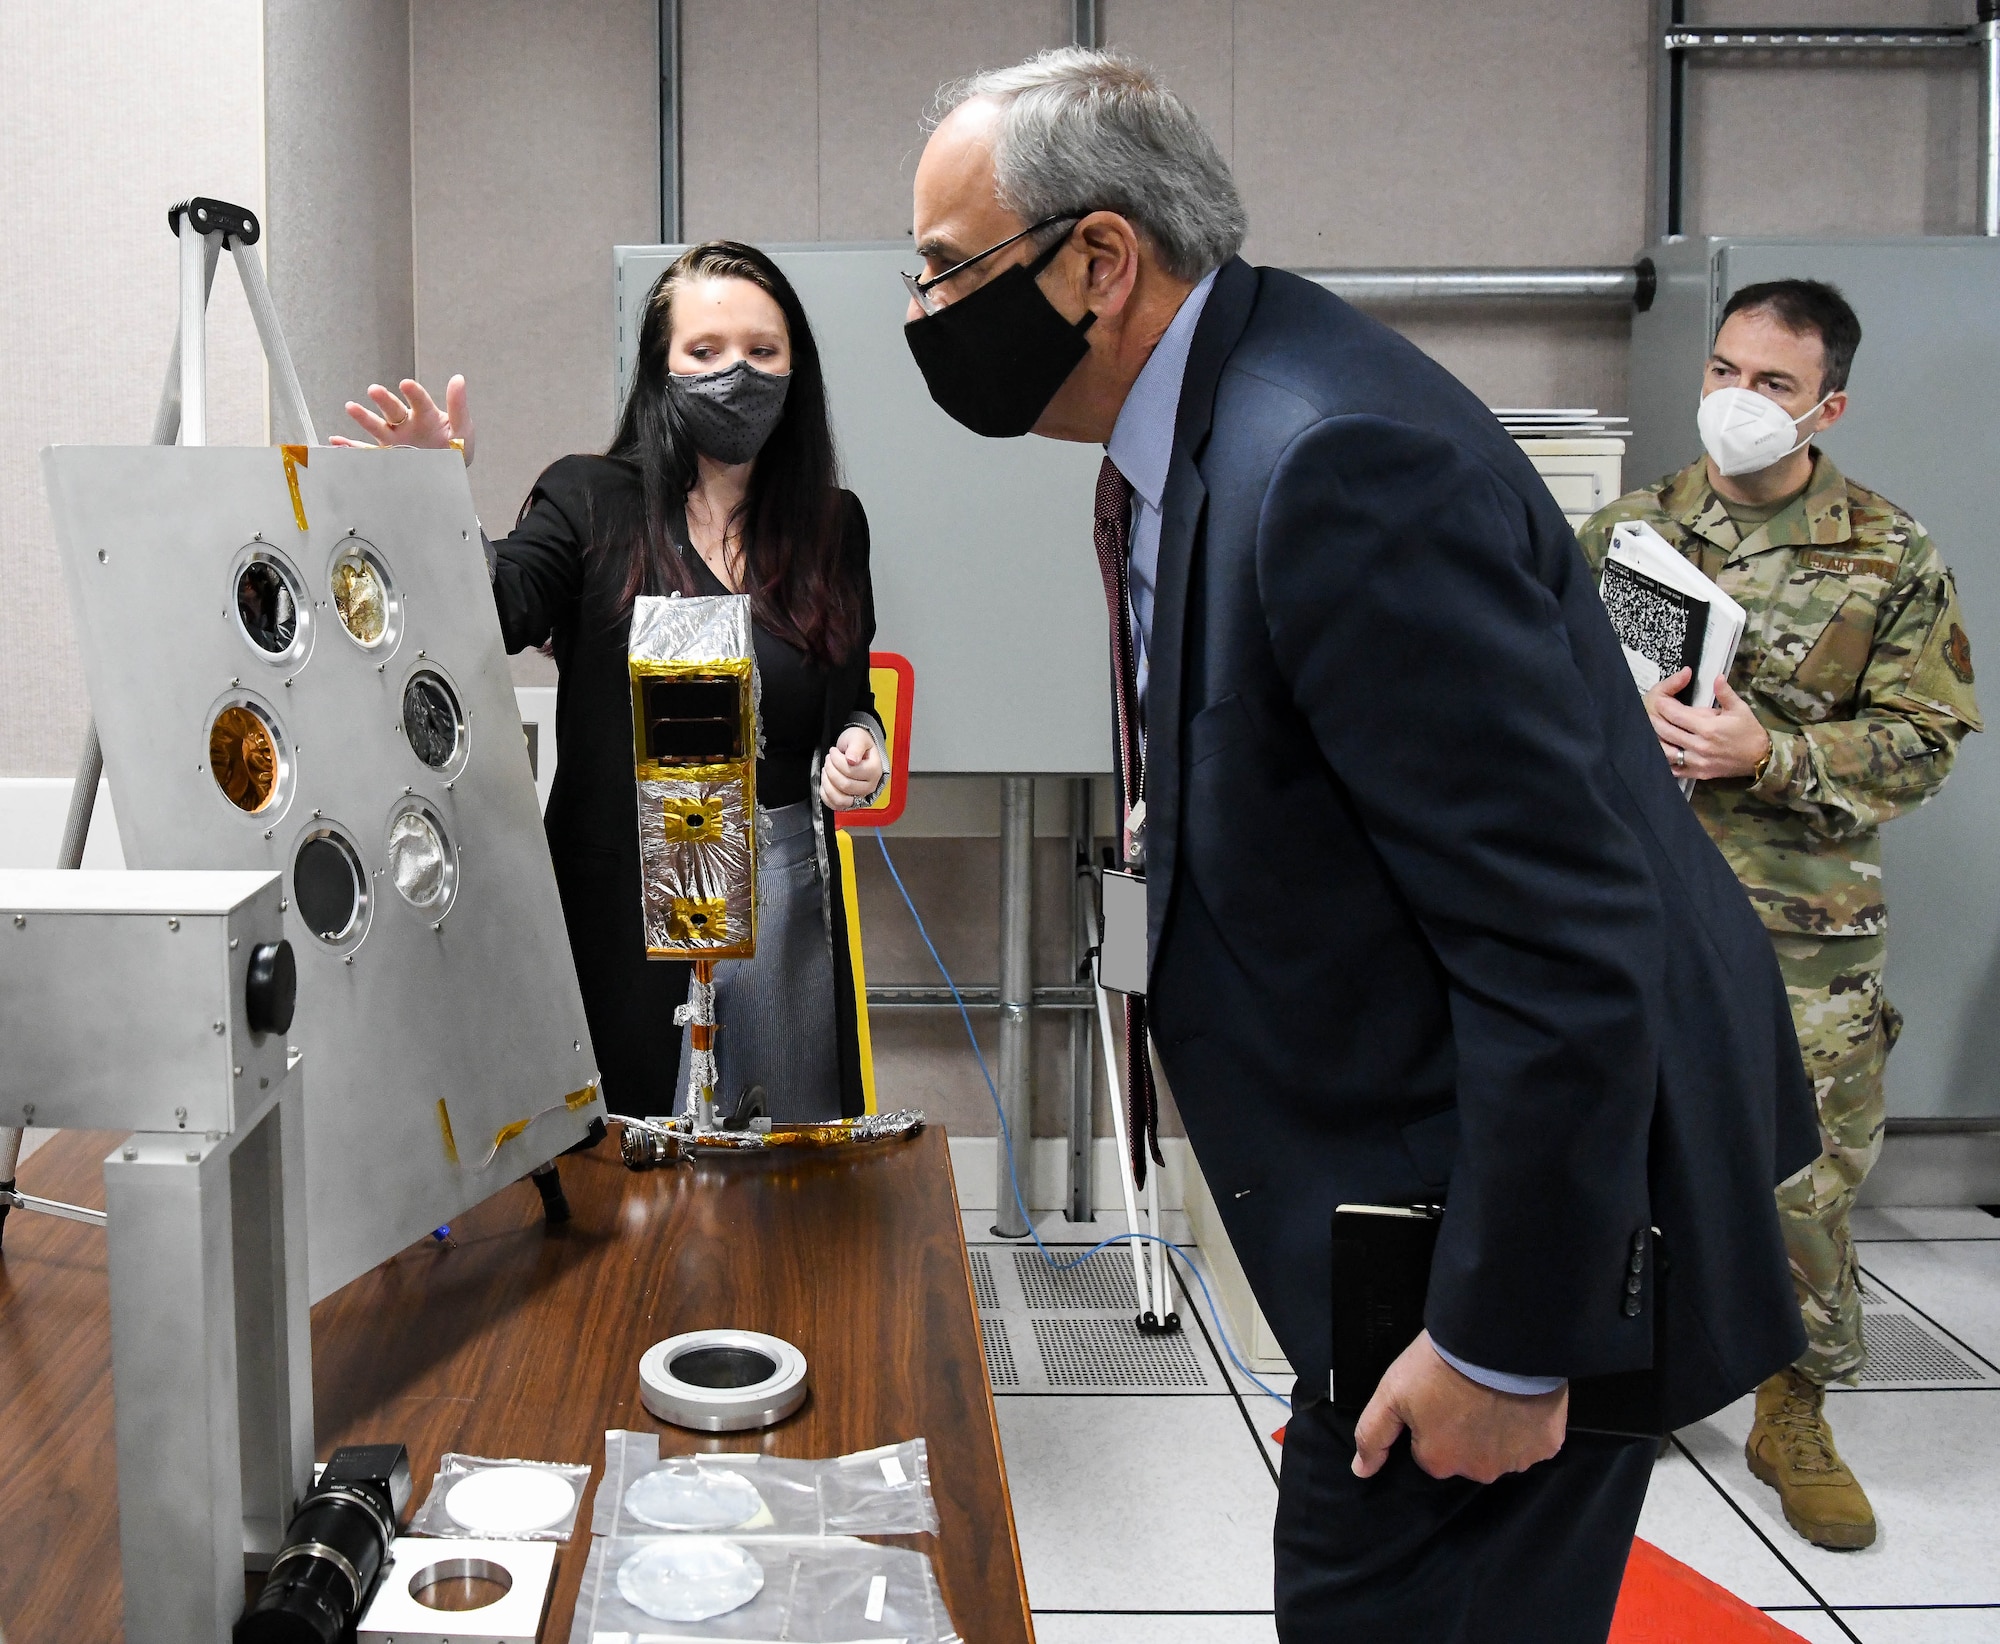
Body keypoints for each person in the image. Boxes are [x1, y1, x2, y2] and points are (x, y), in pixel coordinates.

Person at [903, 48, 1816, 1643]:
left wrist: (1506, 1344)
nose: (920, 317)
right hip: (1422, 1192)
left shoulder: (1326, 453)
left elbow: (1563, 929)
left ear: (1099, 262)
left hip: (1518, 1240)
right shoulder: (1214, 417)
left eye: (944, 270)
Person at [1578, 280, 1981, 1551]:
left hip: (1798, 923)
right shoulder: (1627, 535)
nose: (1734, 402)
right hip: (1634, 897)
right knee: (1613, 1142)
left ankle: (1790, 1407)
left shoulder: (1886, 549)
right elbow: (1549, 696)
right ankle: (1621, 1376)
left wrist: (1772, 753)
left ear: (1827, 405)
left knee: (1796, 1178)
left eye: (1770, 385)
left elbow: (1924, 743)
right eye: (1721, 371)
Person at [338, 241, 886, 1123]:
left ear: (796, 369)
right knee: (626, 1176)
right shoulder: (590, 498)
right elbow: (496, 609)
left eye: (762, 351)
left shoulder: (831, 525)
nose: (735, 374)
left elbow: (847, 699)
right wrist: (431, 491)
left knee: (780, 1178)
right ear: (660, 370)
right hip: (620, 900)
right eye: (705, 352)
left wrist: (863, 746)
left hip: (781, 901)